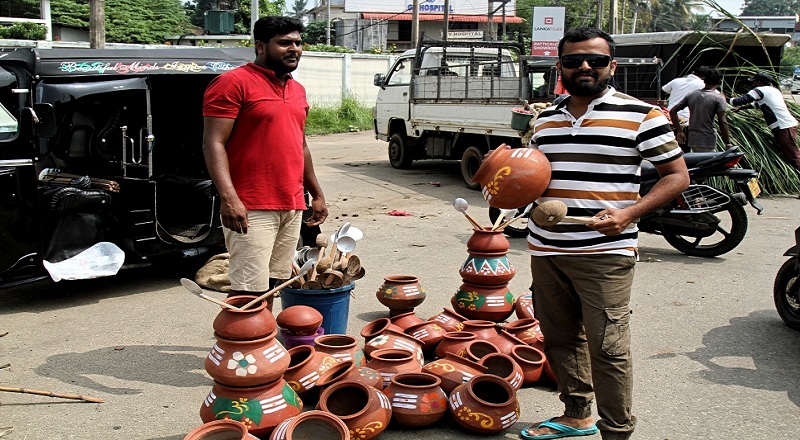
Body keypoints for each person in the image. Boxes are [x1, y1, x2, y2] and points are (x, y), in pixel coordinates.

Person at [520, 28, 689, 440]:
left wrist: (630, 213)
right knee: (559, 336)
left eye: (596, 60)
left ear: (611, 66)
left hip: (607, 252)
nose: (584, 67)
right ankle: (576, 413)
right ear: (559, 66)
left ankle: (616, 430)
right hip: (547, 249)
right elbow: (534, 178)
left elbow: (677, 177)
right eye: (574, 60)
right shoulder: (544, 119)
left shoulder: (643, 116)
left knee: (608, 347)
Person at [202, 16, 328, 312]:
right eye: (284, 43)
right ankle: (241, 352)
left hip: (291, 202)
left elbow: (300, 145)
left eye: (298, 42)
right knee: (248, 290)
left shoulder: (297, 90)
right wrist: (229, 198)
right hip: (251, 204)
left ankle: (262, 344)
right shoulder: (233, 83)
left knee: (275, 282)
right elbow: (213, 142)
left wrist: (316, 194)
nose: (294, 48)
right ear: (260, 45)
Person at [729, 72, 800, 170]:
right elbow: (758, 104)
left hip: (783, 127)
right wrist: (741, 109)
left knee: (794, 156)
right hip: (787, 125)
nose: (752, 84)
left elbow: (739, 101)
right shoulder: (774, 90)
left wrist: (725, 99)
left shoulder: (758, 90)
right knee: (788, 153)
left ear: (758, 82)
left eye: (753, 82)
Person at [669, 68, 732, 152]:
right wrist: (728, 143)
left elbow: (673, 111)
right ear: (720, 82)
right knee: (706, 162)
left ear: (704, 81)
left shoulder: (692, 95)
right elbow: (722, 122)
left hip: (692, 137)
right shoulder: (718, 98)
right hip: (707, 139)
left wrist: (679, 131)